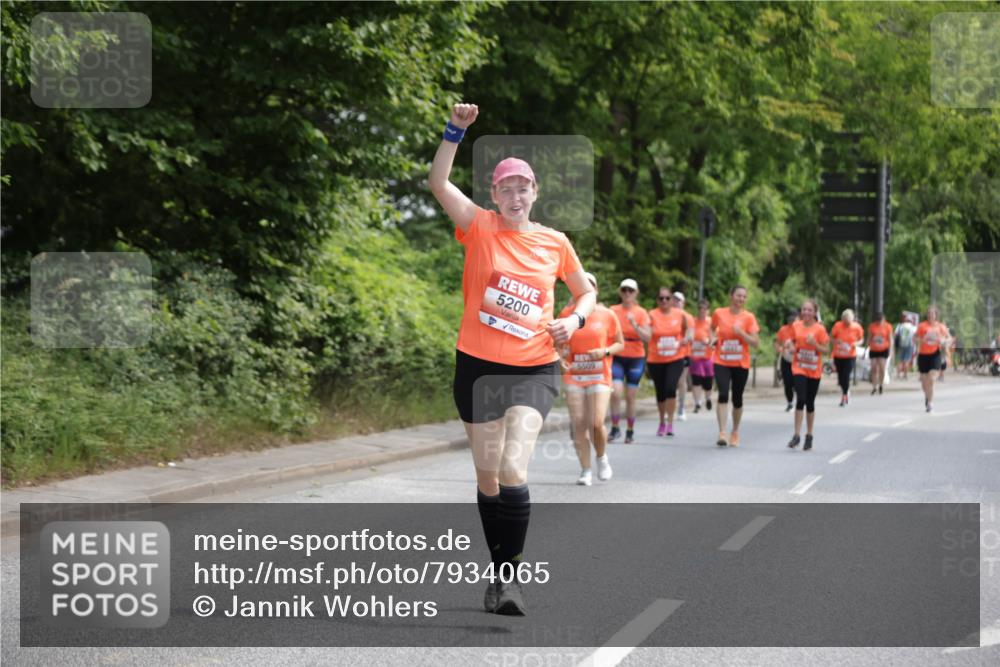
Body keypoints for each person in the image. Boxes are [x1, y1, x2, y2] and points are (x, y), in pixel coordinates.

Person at [429, 102, 596, 616]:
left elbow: (586, 291)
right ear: (494, 195)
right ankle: (498, 571)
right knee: (486, 477)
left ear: (535, 193)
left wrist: (576, 319)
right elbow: (438, 182)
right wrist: (456, 131)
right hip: (476, 366)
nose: (515, 194)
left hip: (533, 368)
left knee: (511, 467)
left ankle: (510, 581)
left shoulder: (555, 242)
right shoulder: (477, 226)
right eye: (506, 187)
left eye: (524, 186)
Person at [557, 273, 624, 486]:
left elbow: (620, 343)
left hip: (599, 375)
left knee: (595, 423)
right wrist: (560, 360)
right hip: (574, 375)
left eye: (590, 285)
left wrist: (604, 352)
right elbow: (557, 346)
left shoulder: (607, 315)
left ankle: (601, 458)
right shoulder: (566, 314)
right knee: (578, 424)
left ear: (595, 291)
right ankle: (585, 470)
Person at [710, 286, 761, 447]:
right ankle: (722, 432)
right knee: (723, 393)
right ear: (731, 296)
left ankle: (735, 431)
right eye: (738, 296)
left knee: (737, 398)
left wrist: (742, 334)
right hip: (721, 360)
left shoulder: (749, 318)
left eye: (744, 297)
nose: (741, 299)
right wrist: (712, 339)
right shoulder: (719, 313)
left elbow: (756, 343)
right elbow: (711, 328)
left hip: (740, 363)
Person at [609, 279, 651, 444]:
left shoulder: (641, 312)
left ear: (636, 293)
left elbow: (647, 337)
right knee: (616, 392)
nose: (627, 293)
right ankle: (614, 427)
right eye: (625, 290)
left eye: (631, 291)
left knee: (631, 396)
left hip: (636, 357)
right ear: (620, 292)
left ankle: (630, 430)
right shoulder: (613, 310)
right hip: (617, 355)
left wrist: (634, 324)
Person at [646, 287, 693, 437]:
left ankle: (670, 423)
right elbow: (647, 333)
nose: (664, 301)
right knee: (660, 391)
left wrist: (687, 338)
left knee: (670, 388)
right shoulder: (652, 314)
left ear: (672, 300)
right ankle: (661, 422)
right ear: (657, 300)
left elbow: (690, 328)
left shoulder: (680, 314)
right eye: (661, 298)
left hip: (675, 358)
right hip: (656, 358)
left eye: (667, 298)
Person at [785, 299, 830, 451]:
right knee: (801, 399)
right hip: (799, 367)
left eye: (809, 310)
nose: (806, 312)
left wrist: (815, 344)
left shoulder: (820, 329)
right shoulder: (796, 326)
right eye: (804, 309)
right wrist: (790, 347)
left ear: (815, 312)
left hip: (814, 369)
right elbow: (791, 342)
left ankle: (809, 435)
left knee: (810, 403)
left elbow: (826, 350)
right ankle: (796, 435)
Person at [915, 306, 951, 412]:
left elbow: (949, 338)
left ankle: (930, 403)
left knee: (931, 378)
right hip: (923, 355)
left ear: (936, 315)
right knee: (923, 381)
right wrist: (922, 339)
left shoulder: (941, 327)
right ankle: (927, 395)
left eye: (932, 313)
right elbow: (915, 338)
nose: (930, 315)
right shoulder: (922, 326)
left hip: (935, 354)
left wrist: (943, 341)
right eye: (929, 313)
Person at [831, 309, 864, 406]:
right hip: (838, 354)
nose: (846, 323)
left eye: (848, 321)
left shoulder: (857, 327)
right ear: (842, 319)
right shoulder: (837, 325)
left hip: (850, 355)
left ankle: (844, 396)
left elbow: (861, 339)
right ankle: (846, 390)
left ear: (852, 319)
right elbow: (831, 338)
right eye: (845, 320)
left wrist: (856, 343)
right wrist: (836, 342)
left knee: (846, 375)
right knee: (841, 378)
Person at [689, 299, 715, 414]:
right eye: (700, 308)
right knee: (696, 381)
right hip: (695, 356)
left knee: (708, 382)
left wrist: (708, 341)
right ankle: (697, 403)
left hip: (708, 356)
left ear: (708, 310)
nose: (702, 311)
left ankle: (708, 398)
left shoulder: (711, 322)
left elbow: (715, 338)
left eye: (704, 309)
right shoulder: (693, 322)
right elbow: (688, 335)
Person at [672, 291, 695, 421]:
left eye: (678, 300)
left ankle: (681, 408)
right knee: (669, 382)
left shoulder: (687, 316)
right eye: (674, 300)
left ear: (683, 303)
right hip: (667, 354)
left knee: (681, 380)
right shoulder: (666, 315)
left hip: (683, 353)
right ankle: (668, 406)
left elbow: (691, 334)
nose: (676, 303)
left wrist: (686, 339)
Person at [775, 309, 798, 411]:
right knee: (787, 382)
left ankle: (800, 400)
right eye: (790, 319)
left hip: (798, 360)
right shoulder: (783, 329)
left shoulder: (801, 329)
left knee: (796, 382)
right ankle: (790, 402)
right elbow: (777, 342)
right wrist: (779, 348)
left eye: (794, 319)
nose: (792, 321)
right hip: (786, 359)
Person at [867, 311, 893, 395]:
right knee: (874, 368)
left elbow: (890, 339)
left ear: (883, 319)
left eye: (880, 320)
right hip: (873, 349)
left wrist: (891, 350)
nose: (879, 322)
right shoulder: (872, 326)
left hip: (883, 349)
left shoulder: (888, 326)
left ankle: (881, 385)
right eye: (877, 320)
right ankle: (874, 386)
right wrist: (867, 345)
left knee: (882, 368)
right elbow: (870, 337)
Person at [894, 313, 917, 380]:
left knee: (900, 360)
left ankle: (898, 374)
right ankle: (905, 375)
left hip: (901, 344)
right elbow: (915, 337)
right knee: (907, 360)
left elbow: (895, 335)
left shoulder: (900, 326)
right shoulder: (913, 327)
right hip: (910, 345)